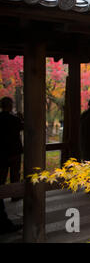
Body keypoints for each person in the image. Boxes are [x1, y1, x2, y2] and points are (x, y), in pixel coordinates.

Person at [0, 97, 23, 234]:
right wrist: (21, 117)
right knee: (15, 174)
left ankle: (3, 193)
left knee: (1, 177)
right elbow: (23, 126)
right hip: (13, 152)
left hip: (1, 153)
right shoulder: (14, 119)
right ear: (10, 106)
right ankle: (15, 194)